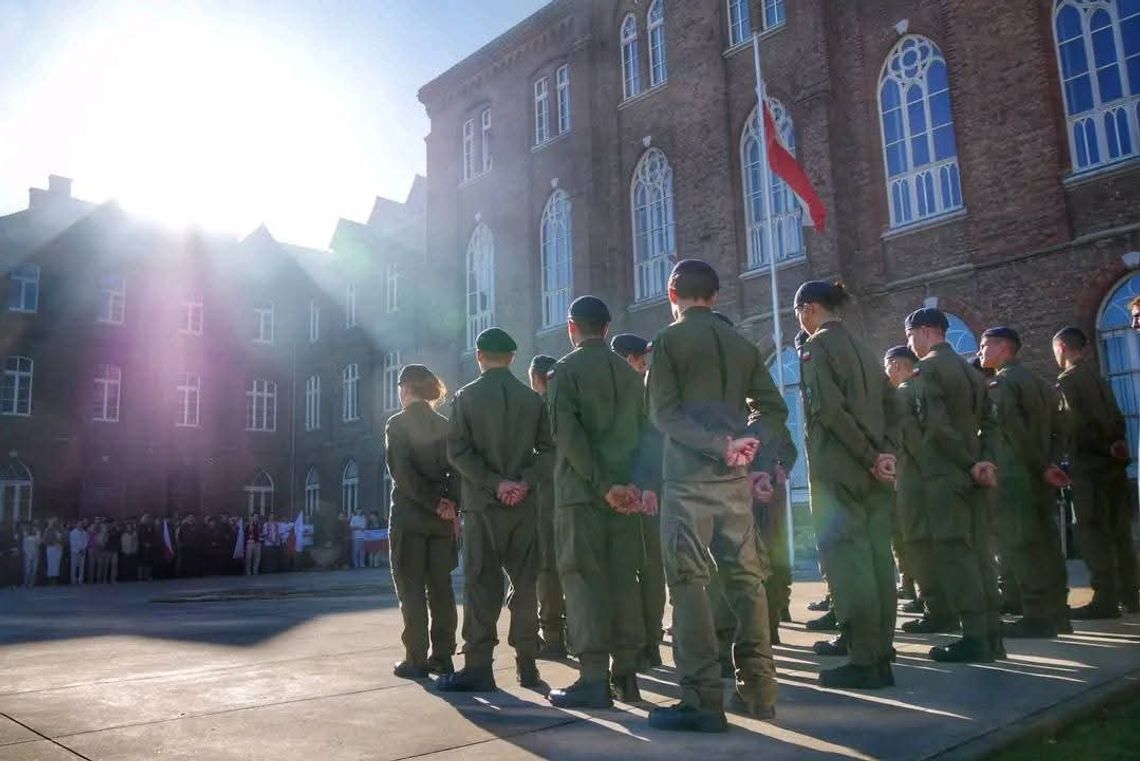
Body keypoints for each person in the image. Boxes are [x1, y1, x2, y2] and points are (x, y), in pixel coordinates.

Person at [645, 259, 788, 732]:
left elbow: (663, 415)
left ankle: (703, 701)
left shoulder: (667, 341)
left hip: (688, 482)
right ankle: (760, 692)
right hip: (733, 487)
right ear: (716, 295)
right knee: (747, 584)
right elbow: (774, 408)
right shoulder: (740, 343)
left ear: (673, 294)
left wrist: (718, 445)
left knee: (689, 586)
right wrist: (748, 441)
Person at [545, 297, 651, 709]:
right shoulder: (629, 375)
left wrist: (602, 485)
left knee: (584, 581)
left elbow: (569, 439)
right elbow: (647, 436)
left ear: (572, 327)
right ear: (607, 328)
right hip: (624, 498)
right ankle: (627, 677)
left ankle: (593, 678)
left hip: (581, 496)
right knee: (624, 581)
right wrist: (630, 486)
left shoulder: (564, 372)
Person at [794, 281, 898, 688]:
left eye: (799, 310)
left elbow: (830, 412)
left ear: (811, 308)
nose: (799, 319)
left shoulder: (817, 347)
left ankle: (865, 659)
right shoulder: (863, 347)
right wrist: (885, 454)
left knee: (849, 564)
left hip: (841, 471)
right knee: (877, 561)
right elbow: (895, 406)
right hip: (874, 471)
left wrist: (871, 457)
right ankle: (880, 652)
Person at [439, 327, 554, 693]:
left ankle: (478, 666)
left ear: (479, 356)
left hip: (482, 506)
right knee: (525, 585)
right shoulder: (531, 400)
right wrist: (523, 482)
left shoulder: (467, 397)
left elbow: (456, 451)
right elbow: (549, 451)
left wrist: (494, 483)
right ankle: (528, 665)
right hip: (524, 506)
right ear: (513, 358)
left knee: (481, 584)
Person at [905, 308, 1003, 662]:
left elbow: (935, 426)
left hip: (947, 474)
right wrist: (985, 461)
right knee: (980, 553)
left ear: (927, 331)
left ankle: (975, 636)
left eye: (911, 334)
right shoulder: (970, 369)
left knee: (955, 553)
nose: (909, 343)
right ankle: (993, 635)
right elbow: (991, 422)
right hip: (976, 472)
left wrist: (968, 463)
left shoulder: (928, 368)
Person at [979, 327, 1071, 638]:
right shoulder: (1041, 383)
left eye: (984, 345)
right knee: (1046, 544)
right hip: (1041, 473)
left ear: (1003, 347)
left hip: (1018, 475)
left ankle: (1037, 616)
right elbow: (1061, 428)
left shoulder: (1002, 383)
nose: (980, 351)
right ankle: (1059, 613)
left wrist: (1040, 465)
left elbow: (1013, 431)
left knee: (1021, 545)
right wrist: (1051, 462)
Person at [1054, 326, 1139, 617]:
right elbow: (1115, 417)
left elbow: (1074, 426)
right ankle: (1130, 594)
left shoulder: (1069, 379)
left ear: (1062, 347)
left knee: (1092, 532)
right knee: (1119, 533)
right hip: (1113, 465)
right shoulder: (1096, 377)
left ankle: (1105, 598)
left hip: (1089, 468)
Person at [385, 364, 460, 680]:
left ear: (405, 390)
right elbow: (457, 470)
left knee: (411, 589)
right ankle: (442, 658)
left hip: (410, 521)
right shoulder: (444, 424)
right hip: (442, 522)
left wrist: (432, 502)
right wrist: (450, 504)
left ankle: (415, 659)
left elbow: (401, 474)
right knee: (442, 590)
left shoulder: (397, 424)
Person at [611, 332, 667, 669]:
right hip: (642, 492)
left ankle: (644, 643)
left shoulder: (633, 392)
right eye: (637, 358)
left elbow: (652, 442)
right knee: (647, 571)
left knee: (640, 571)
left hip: (635, 493)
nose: (643, 364)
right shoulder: (647, 392)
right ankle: (648, 643)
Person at [883, 346, 950, 630]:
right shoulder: (930, 389)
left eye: (887, 368)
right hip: (940, 476)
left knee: (919, 543)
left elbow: (908, 439)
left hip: (913, 477)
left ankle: (936, 609)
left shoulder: (903, 393)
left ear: (897, 366)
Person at [527, 353, 568, 660]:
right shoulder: (572, 405)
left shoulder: (537, 409)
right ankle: (579, 634)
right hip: (575, 494)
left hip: (544, 497)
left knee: (547, 567)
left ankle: (552, 635)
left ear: (537, 379)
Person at [21, 521, 41, 588]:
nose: (34, 529)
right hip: (28, 555)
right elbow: (24, 546)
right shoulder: (26, 536)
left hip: (35, 555)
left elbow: (39, 543)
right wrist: (27, 554)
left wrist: (38, 533)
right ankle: (25, 583)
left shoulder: (37, 536)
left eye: (36, 528)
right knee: (27, 570)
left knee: (34, 570)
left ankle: (31, 584)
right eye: (33, 528)